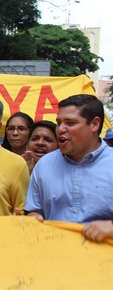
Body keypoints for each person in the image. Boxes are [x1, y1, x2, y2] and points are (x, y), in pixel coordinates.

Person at [25, 94, 113, 242]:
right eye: (59, 123)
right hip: (53, 256)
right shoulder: (44, 165)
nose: (60, 129)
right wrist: (33, 218)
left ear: (94, 124)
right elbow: (34, 211)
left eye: (70, 123)